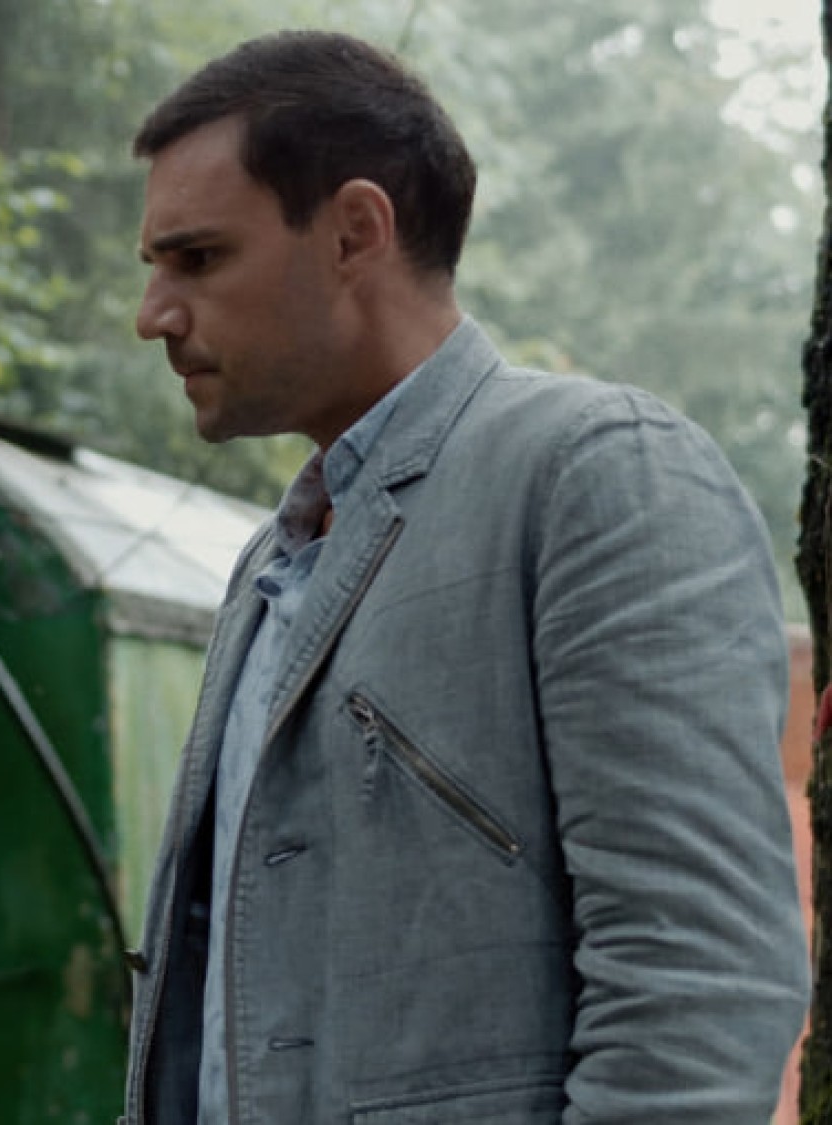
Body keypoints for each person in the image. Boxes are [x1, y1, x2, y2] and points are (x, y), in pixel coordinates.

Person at [123, 29, 810, 1124]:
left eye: (198, 259)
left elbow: (697, 989)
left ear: (355, 232)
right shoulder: (274, 559)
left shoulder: (594, 472)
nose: (153, 313)